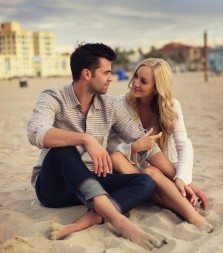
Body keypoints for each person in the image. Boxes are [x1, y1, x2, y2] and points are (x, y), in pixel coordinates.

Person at [27, 43, 165, 250]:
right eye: (106, 72)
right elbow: (35, 132)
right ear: (86, 74)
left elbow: (143, 141)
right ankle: (119, 222)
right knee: (63, 148)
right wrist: (85, 139)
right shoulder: (53, 97)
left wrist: (180, 178)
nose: (111, 77)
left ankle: (90, 219)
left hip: (94, 180)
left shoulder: (110, 105)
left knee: (145, 182)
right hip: (55, 188)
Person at [57, 58, 213, 237]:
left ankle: (190, 214)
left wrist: (183, 179)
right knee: (126, 162)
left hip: (164, 169)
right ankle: (187, 210)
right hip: (130, 169)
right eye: (136, 76)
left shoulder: (171, 106)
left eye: (143, 81)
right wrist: (134, 147)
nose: (135, 83)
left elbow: (184, 145)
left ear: (156, 88)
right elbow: (112, 146)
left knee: (153, 172)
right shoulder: (120, 103)